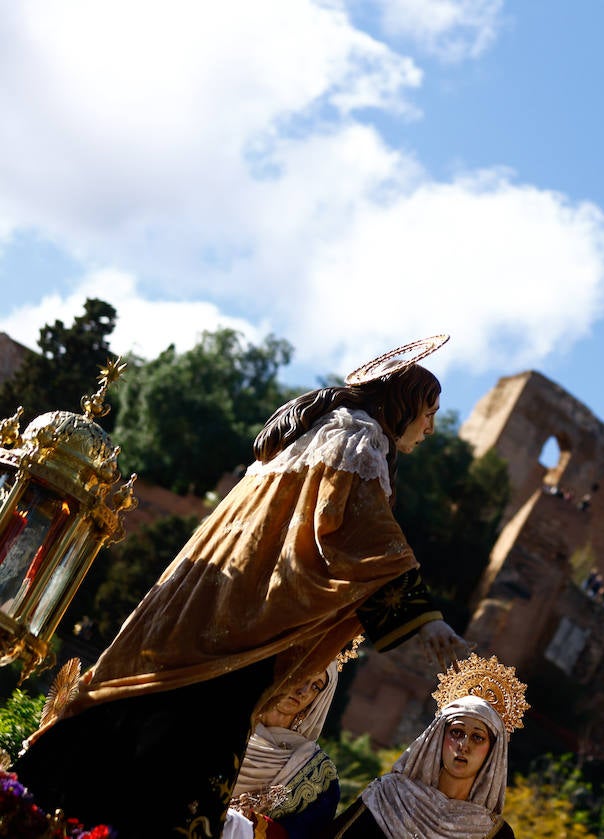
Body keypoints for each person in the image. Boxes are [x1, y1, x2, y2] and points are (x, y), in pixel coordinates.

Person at [16, 335, 471, 837]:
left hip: (209, 610)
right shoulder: (354, 437)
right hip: (237, 623)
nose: (430, 427)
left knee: (150, 724)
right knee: (184, 750)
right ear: (402, 402)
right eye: (428, 412)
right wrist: (423, 619)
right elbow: (353, 530)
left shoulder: (315, 439)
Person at [332, 654, 528, 839]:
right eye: (457, 732)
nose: (464, 745)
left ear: (492, 753)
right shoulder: (388, 796)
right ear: (438, 738)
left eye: (477, 737)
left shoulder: (493, 834)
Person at [224, 667, 343, 839]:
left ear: (317, 700)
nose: (303, 690)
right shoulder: (224, 725)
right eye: (302, 675)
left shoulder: (319, 775)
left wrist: (246, 823)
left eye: (315, 687)